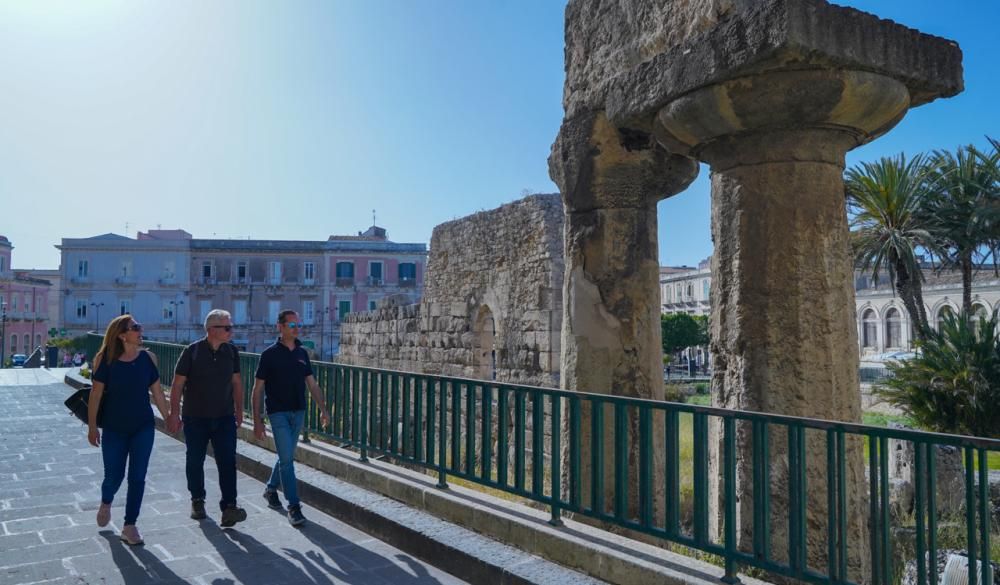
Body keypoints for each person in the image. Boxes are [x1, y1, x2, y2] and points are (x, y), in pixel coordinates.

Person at [88, 315, 169, 546]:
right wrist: (93, 427)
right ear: (122, 335)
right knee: (114, 475)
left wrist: (170, 418)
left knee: (138, 476)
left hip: (143, 426)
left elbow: (157, 392)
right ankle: (106, 501)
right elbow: (95, 395)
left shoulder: (147, 359)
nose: (140, 330)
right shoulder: (105, 360)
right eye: (136, 328)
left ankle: (130, 525)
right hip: (114, 428)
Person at [167, 309, 247, 527]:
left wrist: (239, 410)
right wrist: (174, 413)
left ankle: (229, 507)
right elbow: (177, 384)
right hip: (195, 418)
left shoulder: (232, 352)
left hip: (224, 418)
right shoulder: (191, 352)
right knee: (195, 460)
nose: (231, 331)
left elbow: (237, 383)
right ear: (212, 330)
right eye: (227, 327)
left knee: (228, 462)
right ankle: (197, 500)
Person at [252, 309, 329, 526]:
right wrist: (257, 421)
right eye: (292, 325)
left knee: (285, 457)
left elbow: (312, 384)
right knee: (288, 460)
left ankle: (270, 488)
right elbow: (257, 389)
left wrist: (323, 409)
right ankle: (294, 506)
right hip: (277, 413)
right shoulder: (269, 355)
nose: (297, 329)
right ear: (281, 327)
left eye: (298, 325)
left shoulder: (302, 353)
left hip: (299, 411)